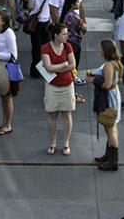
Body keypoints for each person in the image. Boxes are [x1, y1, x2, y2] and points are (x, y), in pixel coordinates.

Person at [41, 21, 78, 156]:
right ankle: (53, 142)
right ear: (56, 35)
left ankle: (66, 143)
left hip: (67, 85)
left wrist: (56, 68)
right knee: (52, 115)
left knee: (67, 115)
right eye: (64, 34)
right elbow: (48, 67)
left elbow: (72, 65)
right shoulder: (46, 48)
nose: (66, 37)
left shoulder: (68, 46)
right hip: (52, 86)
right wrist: (63, 65)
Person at [90, 37, 124, 171]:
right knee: (110, 126)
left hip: (109, 99)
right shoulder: (114, 63)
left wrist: (95, 80)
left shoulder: (109, 65)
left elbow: (107, 84)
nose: (99, 50)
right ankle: (108, 155)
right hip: (113, 97)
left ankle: (113, 161)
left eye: (101, 48)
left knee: (110, 128)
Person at [0, 9, 19, 135]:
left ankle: (8, 124)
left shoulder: (9, 34)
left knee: (7, 97)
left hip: (6, 68)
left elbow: (14, 55)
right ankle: (4, 122)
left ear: (3, 22)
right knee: (3, 96)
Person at [24, 0, 55, 76]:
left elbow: (30, 6)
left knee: (36, 46)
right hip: (46, 20)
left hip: (36, 22)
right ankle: (46, 68)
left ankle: (36, 70)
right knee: (45, 45)